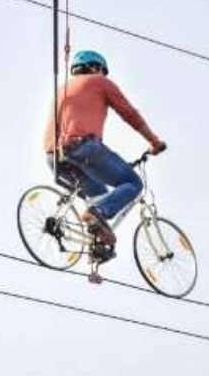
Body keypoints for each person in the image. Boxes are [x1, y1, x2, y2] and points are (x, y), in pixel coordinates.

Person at [43, 50, 166, 256]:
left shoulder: (61, 89)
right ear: (94, 67)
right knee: (132, 183)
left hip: (53, 158)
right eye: (102, 70)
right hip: (83, 148)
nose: (103, 75)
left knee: (100, 194)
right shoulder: (99, 82)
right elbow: (129, 114)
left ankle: (97, 243)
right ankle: (96, 214)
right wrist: (154, 142)